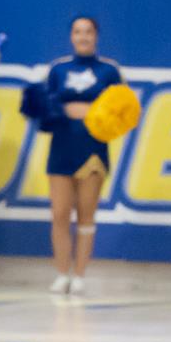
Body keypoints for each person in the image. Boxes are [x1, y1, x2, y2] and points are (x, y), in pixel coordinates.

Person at [39, 16, 124, 296]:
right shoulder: (58, 69)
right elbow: (44, 107)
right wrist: (63, 111)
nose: (83, 37)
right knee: (60, 213)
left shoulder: (110, 71)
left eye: (88, 32)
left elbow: (124, 111)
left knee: (86, 214)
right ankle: (61, 273)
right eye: (77, 32)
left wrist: (93, 112)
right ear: (71, 36)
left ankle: (80, 275)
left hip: (93, 151)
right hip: (62, 148)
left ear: (96, 36)